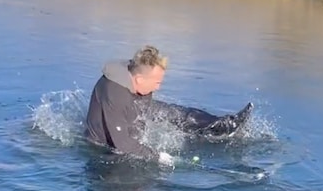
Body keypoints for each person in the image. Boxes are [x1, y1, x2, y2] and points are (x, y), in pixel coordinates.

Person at [85, 45, 252, 159]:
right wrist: (157, 157)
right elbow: (123, 145)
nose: (158, 87)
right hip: (107, 150)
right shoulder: (115, 95)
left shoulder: (137, 79)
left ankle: (222, 125)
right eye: (157, 82)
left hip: (130, 113)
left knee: (177, 114)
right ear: (140, 79)